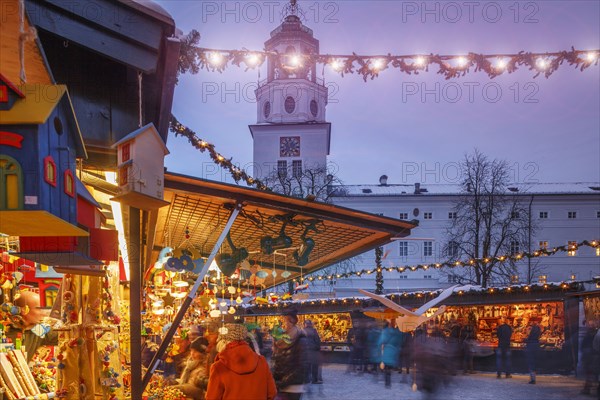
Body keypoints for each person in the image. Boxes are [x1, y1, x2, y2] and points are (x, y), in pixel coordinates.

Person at [205, 322, 276, 400]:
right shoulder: (261, 361)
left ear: (223, 342)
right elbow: (271, 393)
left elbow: (212, 397)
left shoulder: (218, 367)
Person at [5, 291, 58, 362]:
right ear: (24, 310)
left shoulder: (38, 329)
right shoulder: (5, 327)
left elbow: (65, 336)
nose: (44, 314)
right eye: (39, 309)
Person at [271, 309, 306, 400]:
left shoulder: (300, 339)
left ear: (292, 322)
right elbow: (278, 361)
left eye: (284, 321)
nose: (282, 324)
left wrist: (284, 382)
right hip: (281, 385)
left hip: (293, 387)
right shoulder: (281, 339)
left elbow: (301, 366)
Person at [378, 320, 404, 388]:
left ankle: (387, 381)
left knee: (386, 367)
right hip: (393, 351)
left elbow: (380, 341)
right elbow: (400, 342)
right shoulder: (397, 333)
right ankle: (388, 380)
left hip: (386, 351)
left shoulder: (385, 332)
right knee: (389, 367)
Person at [581, 320, 598, 395]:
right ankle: (588, 388)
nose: (588, 326)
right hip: (590, 355)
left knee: (590, 373)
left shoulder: (594, 335)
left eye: (590, 325)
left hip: (592, 356)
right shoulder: (590, 334)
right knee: (590, 373)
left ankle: (587, 389)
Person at [303, 320, 322, 384]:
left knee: (306, 366)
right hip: (313, 350)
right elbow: (317, 340)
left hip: (305, 351)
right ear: (311, 324)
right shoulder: (314, 330)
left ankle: (306, 380)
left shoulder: (302, 331)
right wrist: (318, 348)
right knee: (314, 366)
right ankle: (314, 380)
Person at [525, 320, 541, 384]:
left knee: (531, 362)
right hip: (536, 346)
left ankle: (533, 379)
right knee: (535, 362)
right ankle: (533, 377)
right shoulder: (538, 330)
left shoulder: (531, 331)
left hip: (530, 346)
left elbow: (528, 337)